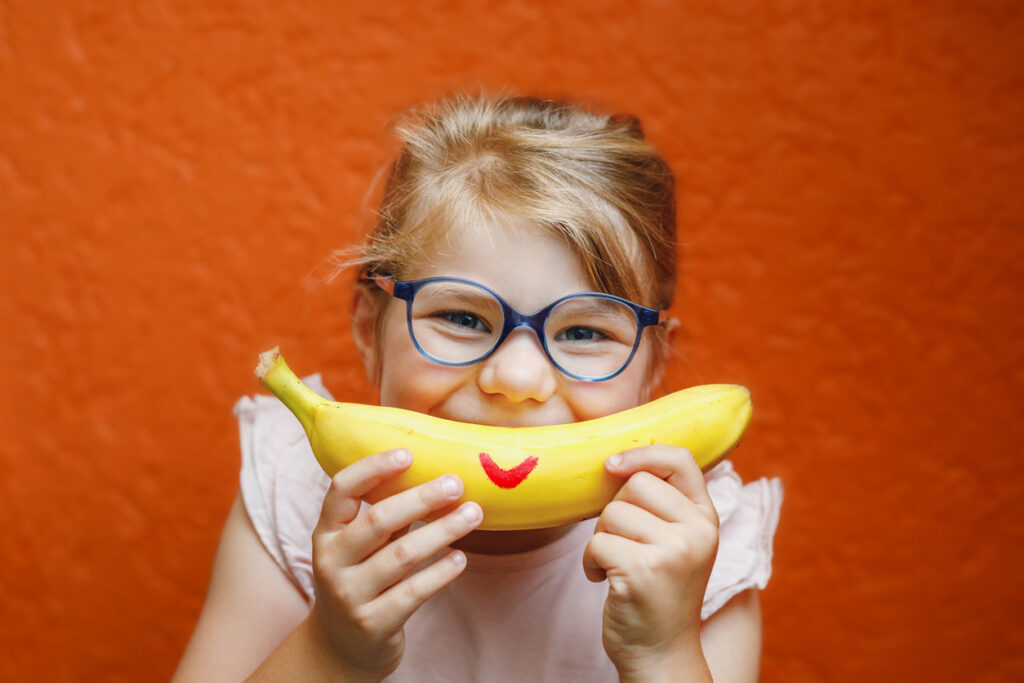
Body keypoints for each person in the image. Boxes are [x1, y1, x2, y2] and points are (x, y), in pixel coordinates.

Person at [173, 94, 783, 682]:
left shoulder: (698, 546)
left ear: (654, 366)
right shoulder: (299, 496)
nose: (516, 381)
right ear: (369, 331)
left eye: (584, 331)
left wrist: (661, 655)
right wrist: (330, 653)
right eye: (462, 319)